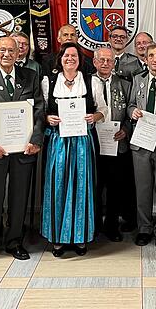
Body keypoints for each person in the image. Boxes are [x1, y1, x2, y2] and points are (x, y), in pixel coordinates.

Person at [0, 37, 45, 266]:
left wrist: (36, 140)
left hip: (24, 150)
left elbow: (39, 111)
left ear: (18, 53)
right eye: (2, 50)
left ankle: (14, 241)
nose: (6, 54)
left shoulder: (30, 77)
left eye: (11, 50)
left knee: (19, 197)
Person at [41, 43, 107, 257]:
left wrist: (93, 117)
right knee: (57, 186)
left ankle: (80, 237)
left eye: (74, 56)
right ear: (60, 58)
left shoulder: (92, 81)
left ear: (80, 59)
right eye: (66, 55)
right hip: (58, 141)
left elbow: (103, 110)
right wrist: (46, 118)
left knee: (82, 186)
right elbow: (40, 111)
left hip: (81, 141)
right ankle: (58, 238)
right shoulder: (48, 82)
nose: (70, 59)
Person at [128, 43, 156, 248]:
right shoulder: (138, 80)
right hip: (142, 140)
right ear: (145, 59)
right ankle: (144, 228)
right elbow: (130, 105)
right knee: (143, 187)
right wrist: (133, 112)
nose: (154, 59)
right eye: (150, 55)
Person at [93, 46, 135, 241]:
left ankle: (111, 225)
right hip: (93, 145)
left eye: (109, 60)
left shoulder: (125, 84)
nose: (105, 63)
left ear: (114, 63)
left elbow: (130, 113)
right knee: (93, 187)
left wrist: (125, 130)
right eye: (101, 60)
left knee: (115, 188)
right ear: (95, 62)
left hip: (117, 145)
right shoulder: (86, 82)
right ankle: (92, 226)